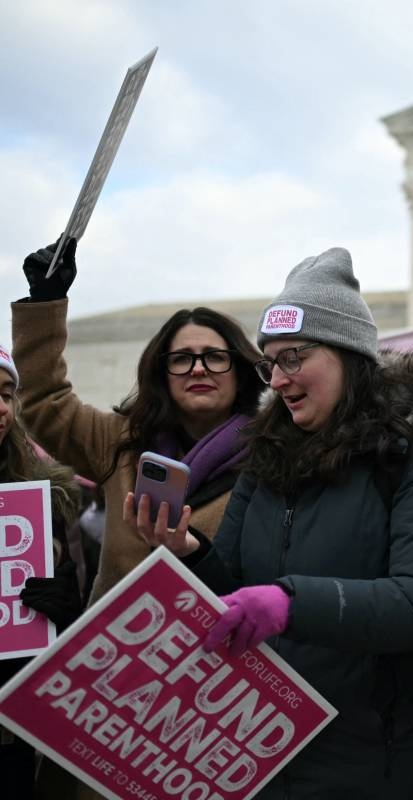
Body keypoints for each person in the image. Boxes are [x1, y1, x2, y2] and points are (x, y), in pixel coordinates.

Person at [134, 247, 413, 798]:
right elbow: (240, 594)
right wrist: (192, 553)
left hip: (382, 763)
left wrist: (292, 602)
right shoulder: (267, 457)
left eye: (294, 357)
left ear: (347, 355)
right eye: (271, 361)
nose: (280, 378)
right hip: (271, 756)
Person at [13, 238, 264, 603]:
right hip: (113, 647)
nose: (198, 369)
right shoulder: (120, 440)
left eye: (214, 357)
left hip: (215, 649)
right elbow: (43, 401)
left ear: (240, 370)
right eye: (181, 359)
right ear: (161, 374)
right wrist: (44, 303)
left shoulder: (272, 452)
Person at [0, 346, 82, 799]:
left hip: (11, 741)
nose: (2, 408)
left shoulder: (39, 503)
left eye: (8, 394)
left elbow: (71, 635)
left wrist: (66, 612)